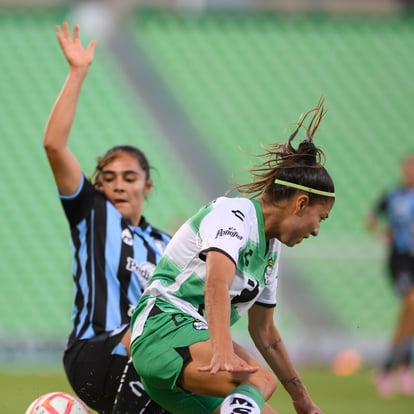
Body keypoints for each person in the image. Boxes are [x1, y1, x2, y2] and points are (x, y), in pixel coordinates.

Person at [130, 97, 334, 414]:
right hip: (162, 328)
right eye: (321, 218)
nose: (317, 230)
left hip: (191, 344)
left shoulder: (271, 249)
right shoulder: (234, 214)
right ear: (301, 203)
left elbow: (265, 331)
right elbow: (215, 284)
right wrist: (222, 350)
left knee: (262, 403)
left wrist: (302, 400)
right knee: (258, 383)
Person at [43, 22, 171, 413]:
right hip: (94, 351)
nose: (117, 186)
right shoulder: (92, 214)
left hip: (144, 356)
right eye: (108, 178)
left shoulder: (168, 246)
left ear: (147, 186)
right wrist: (77, 72)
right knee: (150, 335)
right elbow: (53, 144)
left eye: (129, 178)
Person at [366, 154, 414, 398]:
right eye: (407, 168)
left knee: (410, 312)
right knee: (411, 303)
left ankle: (396, 367)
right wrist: (382, 233)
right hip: (401, 258)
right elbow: (370, 219)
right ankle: (395, 368)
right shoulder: (393, 196)